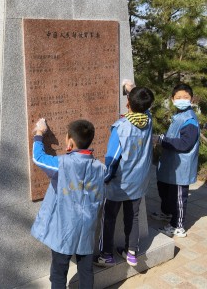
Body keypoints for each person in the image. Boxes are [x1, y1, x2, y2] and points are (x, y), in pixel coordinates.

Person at [31, 118, 106, 289]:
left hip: (65, 227)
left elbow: (38, 158)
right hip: (87, 226)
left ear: (70, 141)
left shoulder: (62, 163)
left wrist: (39, 133)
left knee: (59, 271)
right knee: (86, 270)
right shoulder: (100, 168)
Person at [95, 82, 154, 267]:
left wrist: (105, 179)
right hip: (139, 182)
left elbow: (112, 159)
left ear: (128, 103)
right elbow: (145, 109)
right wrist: (132, 90)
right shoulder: (148, 120)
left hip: (119, 183)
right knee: (133, 216)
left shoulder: (121, 127)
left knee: (109, 217)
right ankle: (131, 252)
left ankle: (106, 255)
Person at [149, 83, 201, 238]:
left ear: (191, 99)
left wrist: (162, 140)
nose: (182, 100)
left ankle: (178, 226)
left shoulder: (190, 120)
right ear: (172, 99)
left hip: (181, 167)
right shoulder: (178, 115)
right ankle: (166, 213)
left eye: (185, 97)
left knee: (178, 197)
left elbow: (185, 144)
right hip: (171, 163)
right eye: (178, 97)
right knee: (164, 189)